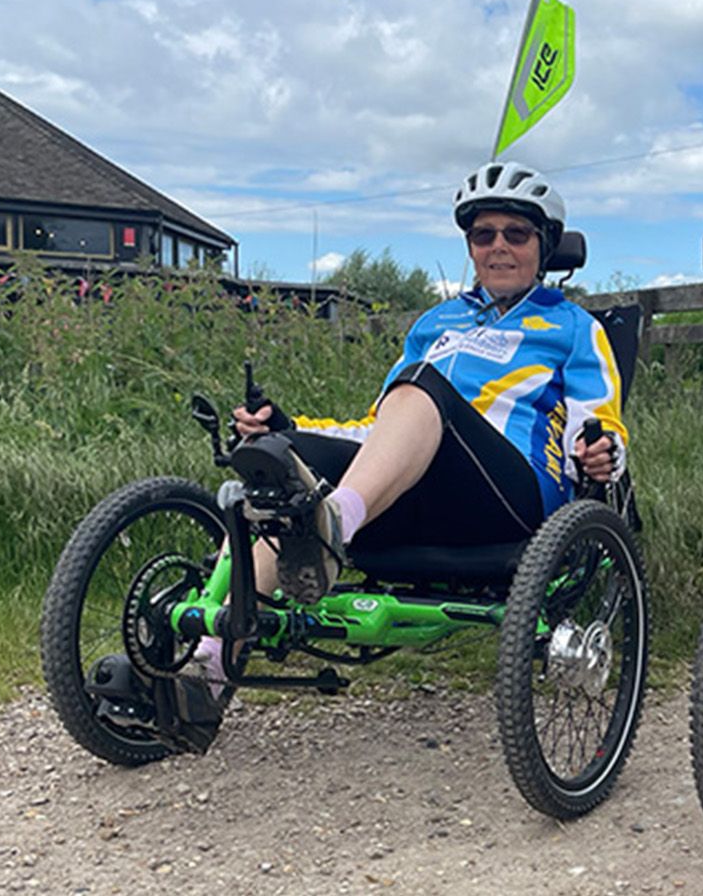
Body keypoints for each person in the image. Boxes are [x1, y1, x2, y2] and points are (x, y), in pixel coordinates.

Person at [191, 161, 630, 685]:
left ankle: (333, 528)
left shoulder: (574, 326)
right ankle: (207, 663)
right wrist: (287, 429)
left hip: (508, 497)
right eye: (483, 235)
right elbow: (384, 428)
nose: (498, 246)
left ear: (544, 245)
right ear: (470, 247)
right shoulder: (435, 323)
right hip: (411, 493)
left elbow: (599, 422)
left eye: (516, 234)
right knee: (283, 466)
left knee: (423, 389)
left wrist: (601, 453)